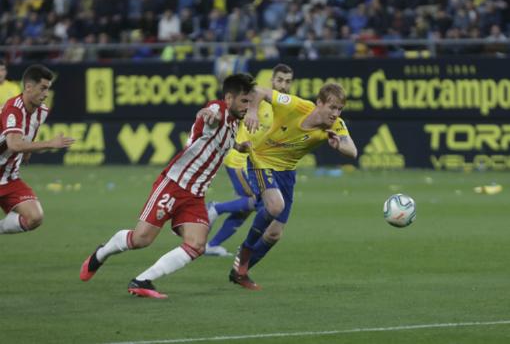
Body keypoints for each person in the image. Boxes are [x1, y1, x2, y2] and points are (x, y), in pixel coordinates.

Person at [79, 73, 256, 299]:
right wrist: (207, 112)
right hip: (174, 185)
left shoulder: (234, 124)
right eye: (244, 101)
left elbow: (221, 143)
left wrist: (239, 147)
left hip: (195, 195)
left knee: (197, 245)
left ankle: (142, 280)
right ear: (229, 99)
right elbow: (211, 112)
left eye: (250, 102)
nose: (248, 107)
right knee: (141, 239)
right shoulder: (219, 110)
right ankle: (100, 254)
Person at [230, 82, 358, 290]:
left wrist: (339, 146)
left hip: (287, 173)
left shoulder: (336, 125)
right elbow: (258, 90)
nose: (335, 113)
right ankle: (245, 251)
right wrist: (252, 111)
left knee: (274, 234)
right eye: (332, 107)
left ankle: (239, 271)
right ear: (319, 103)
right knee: (274, 206)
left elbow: (353, 151)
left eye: (339, 109)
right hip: (261, 160)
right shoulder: (295, 105)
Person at [205, 64, 294, 257]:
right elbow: (249, 98)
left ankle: (212, 245)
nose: (283, 85)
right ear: (271, 80)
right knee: (257, 202)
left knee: (247, 208)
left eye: (287, 81)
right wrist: (252, 110)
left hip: (256, 160)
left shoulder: (283, 105)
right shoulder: (258, 98)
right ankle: (215, 208)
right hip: (239, 159)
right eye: (279, 80)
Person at [0, 64, 75, 235]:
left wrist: (27, 151)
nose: (46, 94)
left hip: (9, 178)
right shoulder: (13, 109)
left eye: (48, 89)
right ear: (28, 87)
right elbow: (14, 144)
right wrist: (50, 144)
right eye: (42, 88)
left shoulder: (42, 111)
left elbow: (29, 132)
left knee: (35, 217)